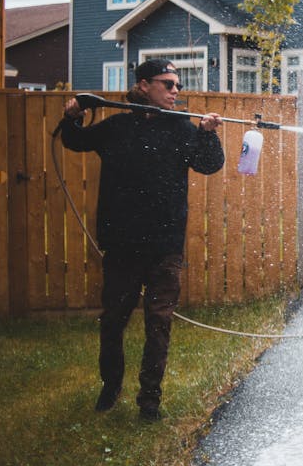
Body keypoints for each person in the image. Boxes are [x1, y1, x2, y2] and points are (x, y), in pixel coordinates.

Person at [61, 60, 225, 421]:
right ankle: (110, 386)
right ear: (143, 86)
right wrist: (73, 115)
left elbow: (209, 165)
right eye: (167, 84)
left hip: (165, 245)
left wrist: (208, 133)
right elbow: (75, 140)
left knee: (159, 323)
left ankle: (149, 399)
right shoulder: (117, 126)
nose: (175, 90)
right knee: (113, 320)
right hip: (122, 244)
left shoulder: (182, 128)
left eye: (177, 85)